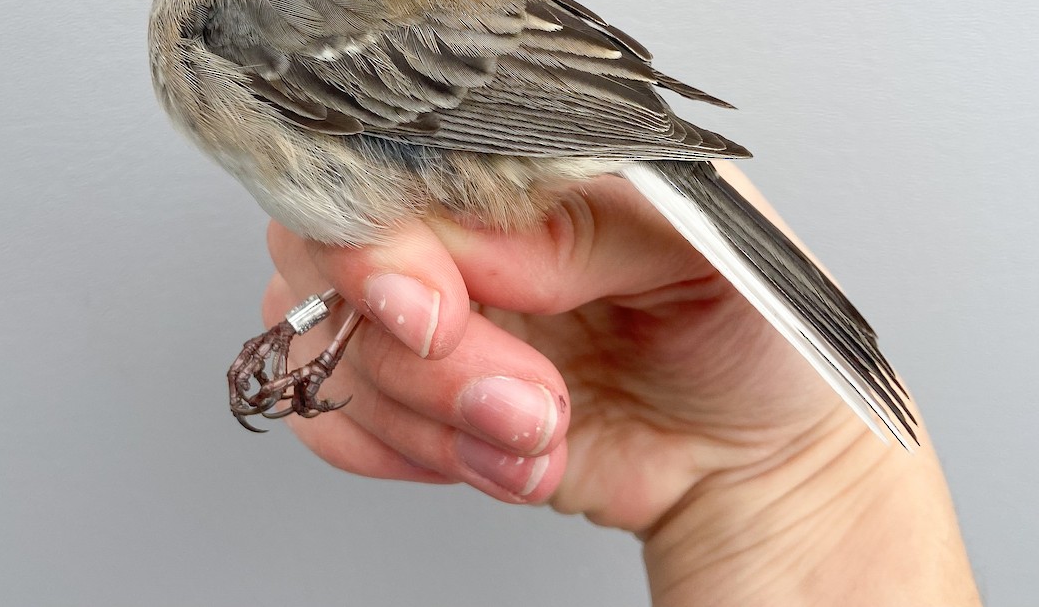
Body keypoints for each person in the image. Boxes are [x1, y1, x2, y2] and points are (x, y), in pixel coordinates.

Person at [261, 163, 981, 606]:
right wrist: (759, 483)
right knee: (399, 275)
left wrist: (807, 465)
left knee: (406, 270)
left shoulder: (245, 6)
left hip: (514, 131)